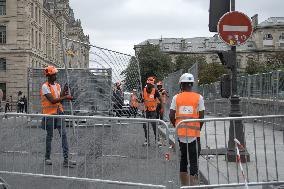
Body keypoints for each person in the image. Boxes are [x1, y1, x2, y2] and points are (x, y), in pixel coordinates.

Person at [169, 73, 205, 186]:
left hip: (181, 134)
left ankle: (184, 185)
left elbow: (171, 115)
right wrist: (197, 129)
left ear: (181, 85)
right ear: (192, 84)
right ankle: (193, 185)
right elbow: (201, 117)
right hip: (194, 134)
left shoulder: (176, 97)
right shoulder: (199, 97)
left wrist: (178, 126)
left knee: (184, 158)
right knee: (194, 160)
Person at [41, 66, 76, 167]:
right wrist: (66, 97)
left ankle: (66, 159)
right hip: (49, 115)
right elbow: (52, 100)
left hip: (59, 112)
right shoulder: (45, 86)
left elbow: (59, 99)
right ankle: (47, 157)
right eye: (54, 75)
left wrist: (65, 90)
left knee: (64, 135)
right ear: (49, 76)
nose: (55, 76)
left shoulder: (57, 85)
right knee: (50, 136)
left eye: (55, 74)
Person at [142, 76, 163, 146]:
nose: (148, 85)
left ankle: (157, 140)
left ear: (152, 85)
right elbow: (142, 99)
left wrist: (161, 108)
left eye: (150, 85)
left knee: (154, 124)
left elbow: (160, 99)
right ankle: (147, 140)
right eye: (147, 84)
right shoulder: (144, 90)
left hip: (153, 111)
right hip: (146, 110)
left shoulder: (155, 91)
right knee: (145, 125)